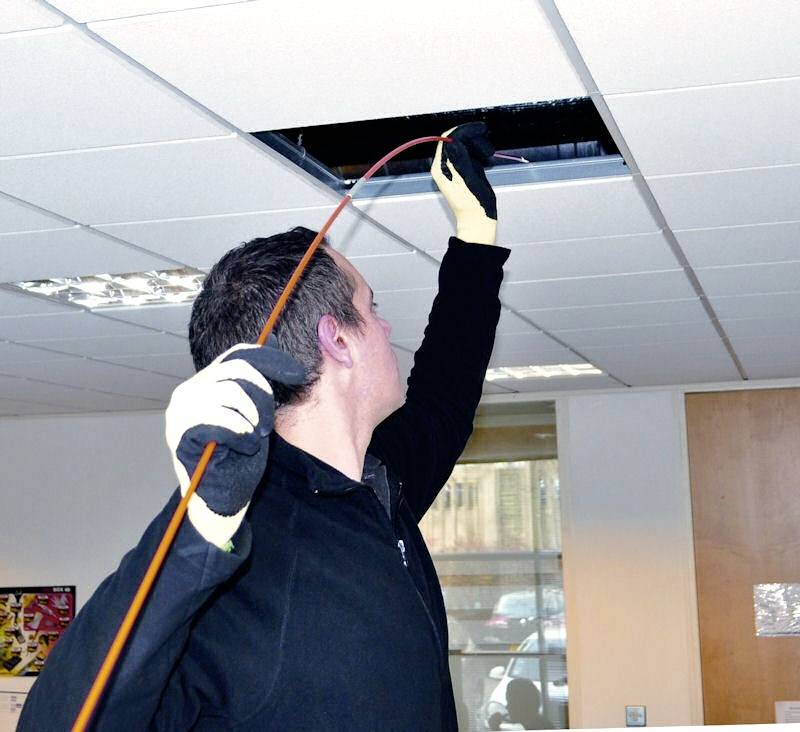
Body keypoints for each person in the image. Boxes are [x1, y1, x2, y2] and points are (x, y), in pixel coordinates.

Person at [19, 122, 509, 731]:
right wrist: (196, 523)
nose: (385, 328)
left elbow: (446, 396)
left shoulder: (377, 484)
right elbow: (66, 722)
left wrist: (476, 240)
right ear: (337, 339)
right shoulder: (239, 559)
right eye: (371, 307)